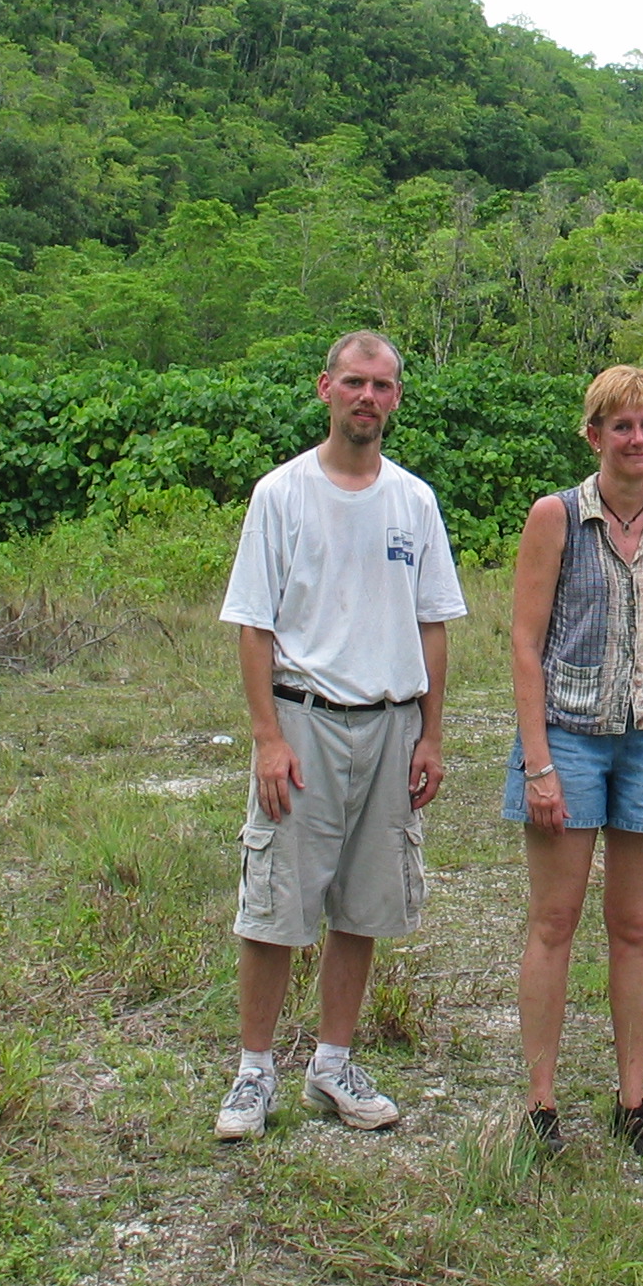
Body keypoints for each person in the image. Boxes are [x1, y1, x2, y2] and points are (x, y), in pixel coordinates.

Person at [211, 330, 468, 1141]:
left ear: (396, 398)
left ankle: (333, 1062)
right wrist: (266, 738)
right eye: (354, 382)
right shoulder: (281, 494)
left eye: (383, 386)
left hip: (391, 726)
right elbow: (254, 626)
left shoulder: (413, 501)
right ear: (326, 388)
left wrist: (431, 735)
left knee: (362, 901)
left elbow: (434, 623)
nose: (368, 397)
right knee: (277, 903)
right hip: (304, 721)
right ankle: (255, 1071)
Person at [506, 366, 643, 1162]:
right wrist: (537, 764)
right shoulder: (556, 518)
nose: (637, 439)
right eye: (620, 426)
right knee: (554, 922)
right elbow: (525, 643)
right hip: (569, 732)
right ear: (594, 435)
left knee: (634, 926)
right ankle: (540, 1106)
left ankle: (634, 1103)